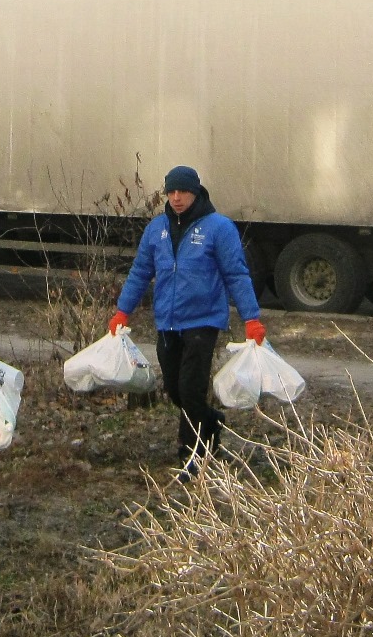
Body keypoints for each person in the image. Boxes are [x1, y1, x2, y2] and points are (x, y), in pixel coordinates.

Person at [110, 165, 263, 480]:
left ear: (196, 192)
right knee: (176, 391)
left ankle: (193, 456)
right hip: (167, 322)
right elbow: (140, 272)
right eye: (171, 192)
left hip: (203, 321)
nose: (177, 198)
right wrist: (122, 311)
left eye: (183, 192)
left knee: (191, 390)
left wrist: (252, 319)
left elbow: (236, 273)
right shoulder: (157, 229)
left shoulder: (218, 228)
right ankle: (211, 422)